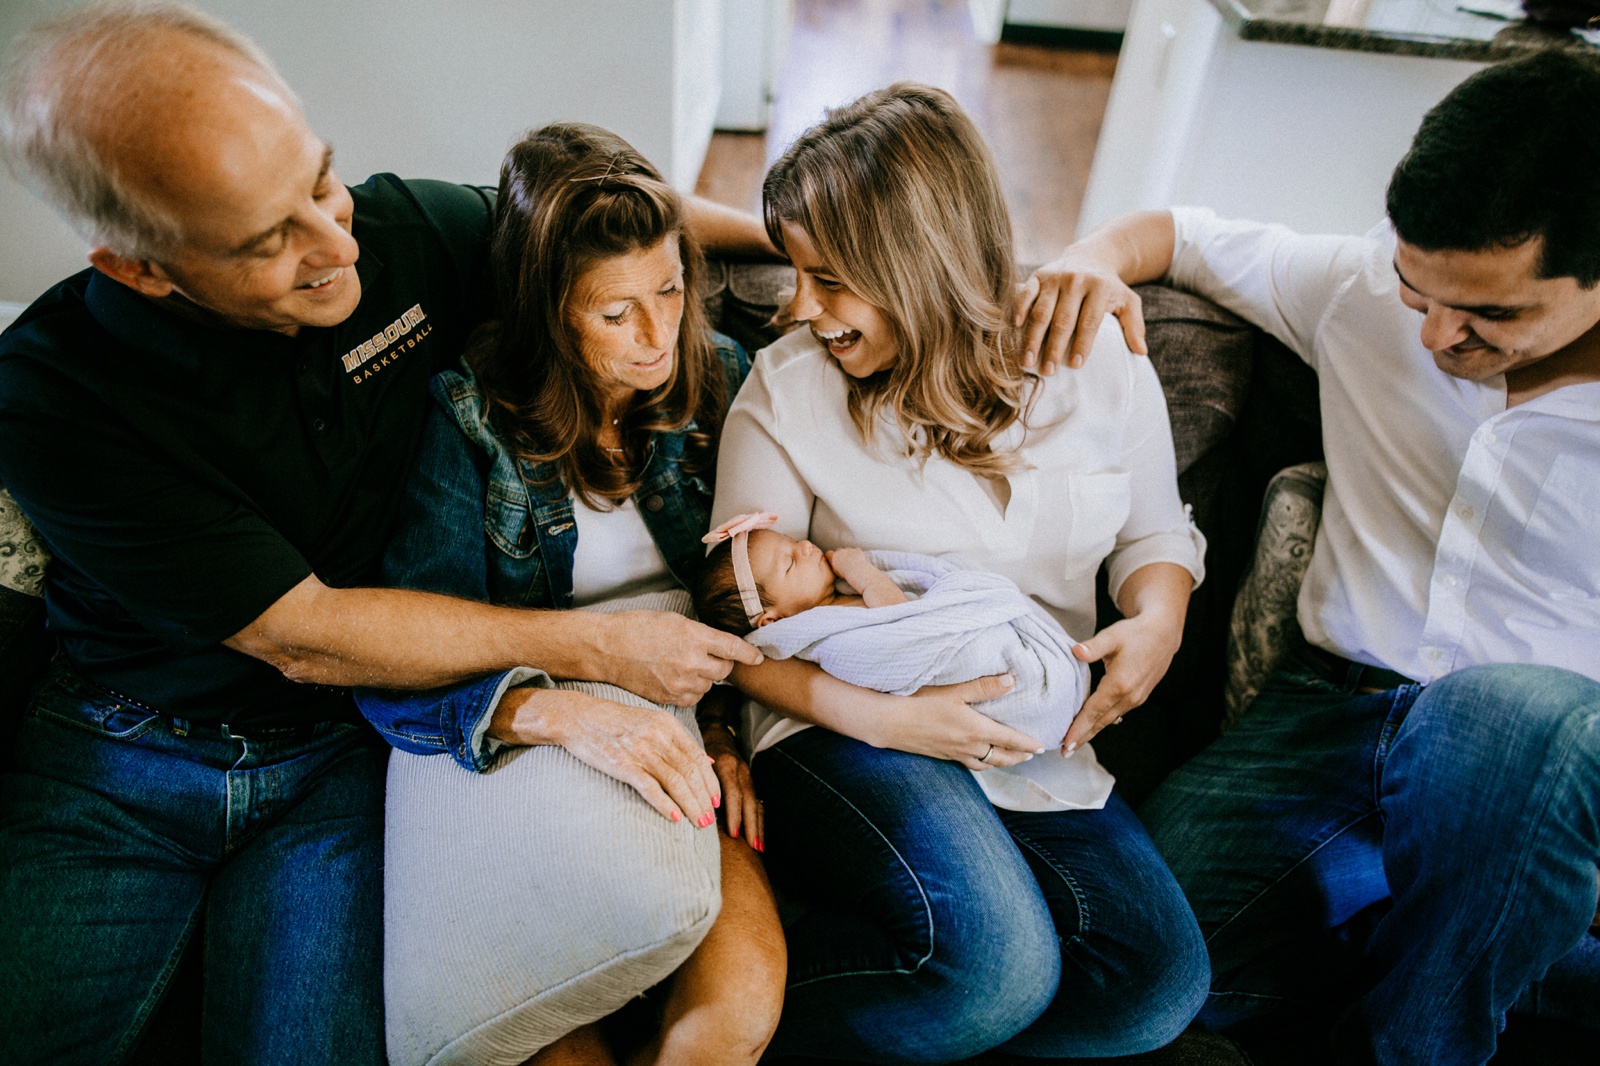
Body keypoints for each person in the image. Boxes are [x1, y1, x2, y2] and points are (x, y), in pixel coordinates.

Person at [0, 4, 768, 1063]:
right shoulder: (55, 395)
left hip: (338, 758)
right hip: (122, 764)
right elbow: (302, 632)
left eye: (320, 179)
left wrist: (823, 242)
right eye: (270, 238)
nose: (335, 242)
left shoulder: (396, 235)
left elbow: (589, 222)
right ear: (139, 266)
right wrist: (587, 657)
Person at [1021, 50, 1600, 1064]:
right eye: (1419, 290)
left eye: (1490, 315)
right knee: (1123, 971)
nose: (1435, 334)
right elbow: (1181, 234)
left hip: (1537, 761)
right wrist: (1091, 254)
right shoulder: (1359, 290)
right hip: (1332, 716)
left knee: (1505, 715)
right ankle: (1468, 954)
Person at [711, 83, 1210, 1062]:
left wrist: (1158, 621)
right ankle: (721, 1025)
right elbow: (738, 633)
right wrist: (885, 718)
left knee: (1152, 988)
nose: (799, 307)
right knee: (995, 965)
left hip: (1036, 748)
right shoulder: (786, 392)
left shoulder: (1098, 362)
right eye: (793, 270)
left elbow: (1154, 538)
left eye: (829, 278)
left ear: (920, 264)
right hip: (843, 729)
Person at [355, 123, 784, 1066]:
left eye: (669, 290)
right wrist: (560, 714)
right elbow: (400, 667)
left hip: (684, 717)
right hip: (526, 725)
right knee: (550, 1034)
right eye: (614, 313)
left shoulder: (724, 377)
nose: (657, 336)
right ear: (549, 313)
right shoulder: (467, 418)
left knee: (740, 1001)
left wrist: (718, 733)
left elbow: (759, 596)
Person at [693, 511, 1093, 763]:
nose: (807, 547)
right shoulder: (831, 635)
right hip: (968, 666)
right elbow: (903, 620)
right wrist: (863, 572)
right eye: (791, 563)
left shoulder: (839, 602)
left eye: (794, 543)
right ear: (771, 621)